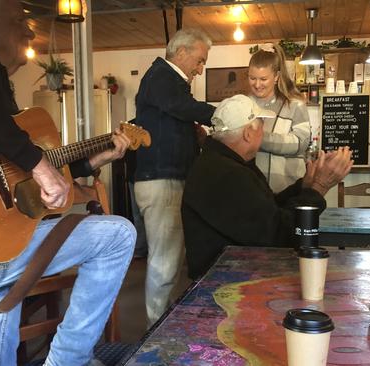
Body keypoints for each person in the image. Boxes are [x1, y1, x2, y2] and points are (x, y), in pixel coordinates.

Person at [0, 1, 136, 365]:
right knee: (117, 236)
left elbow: (12, 163)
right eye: (20, 20)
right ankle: (69, 361)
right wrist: (38, 164)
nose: (31, 31)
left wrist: (93, 159)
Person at [182, 95, 353, 279]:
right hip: (227, 283)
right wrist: (319, 187)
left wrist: (304, 186)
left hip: (232, 272)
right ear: (248, 134)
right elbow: (277, 235)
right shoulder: (226, 173)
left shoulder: (222, 163)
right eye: (262, 126)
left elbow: (267, 209)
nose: (263, 132)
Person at [134, 28, 216, 325]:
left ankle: (163, 325)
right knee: (164, 263)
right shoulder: (161, 76)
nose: (200, 68)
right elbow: (180, 107)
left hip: (165, 179)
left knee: (170, 261)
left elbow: (174, 114)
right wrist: (222, 114)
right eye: (199, 60)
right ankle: (155, 334)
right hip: (162, 181)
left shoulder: (166, 80)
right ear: (181, 53)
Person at [248, 44, 312, 192]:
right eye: (252, 78)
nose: (257, 84)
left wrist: (259, 138)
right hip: (254, 190)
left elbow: (300, 143)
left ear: (276, 76)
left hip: (288, 188)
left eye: (263, 79)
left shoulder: (295, 104)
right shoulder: (245, 104)